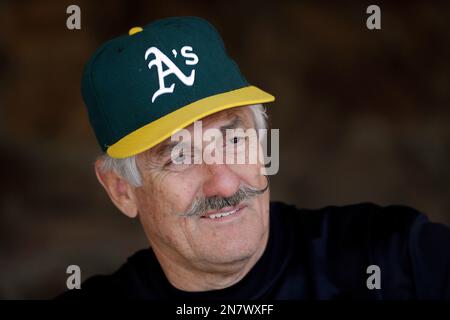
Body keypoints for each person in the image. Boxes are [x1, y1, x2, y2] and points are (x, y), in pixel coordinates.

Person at [59, 16, 450, 299]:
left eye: (232, 137)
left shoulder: (397, 260)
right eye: (178, 154)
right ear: (121, 189)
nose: (225, 181)